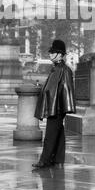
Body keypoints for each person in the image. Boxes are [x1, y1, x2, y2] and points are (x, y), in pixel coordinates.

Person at [32, 39, 76, 169]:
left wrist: (62, 108)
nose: (50, 55)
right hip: (54, 107)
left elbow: (67, 90)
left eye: (53, 52)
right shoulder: (56, 68)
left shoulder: (64, 70)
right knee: (58, 133)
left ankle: (44, 160)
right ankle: (57, 159)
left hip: (57, 108)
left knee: (50, 135)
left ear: (60, 54)